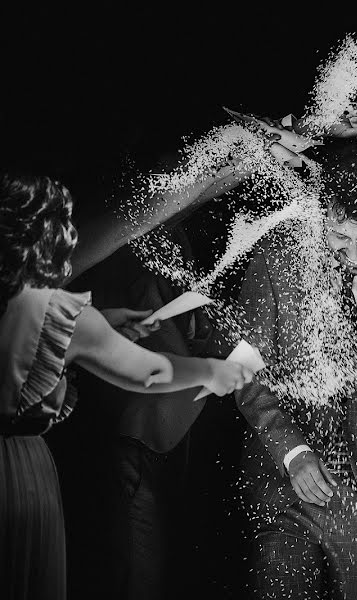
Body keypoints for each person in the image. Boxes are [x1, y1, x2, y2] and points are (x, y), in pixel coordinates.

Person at [0, 174, 254, 600]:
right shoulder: (60, 311)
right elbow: (147, 373)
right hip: (20, 474)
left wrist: (109, 319)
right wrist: (211, 371)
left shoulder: (14, 301)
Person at [234, 137, 357, 599]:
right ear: (321, 213)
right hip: (284, 487)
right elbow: (243, 371)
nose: (356, 254)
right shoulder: (274, 258)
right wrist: (293, 452)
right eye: (341, 236)